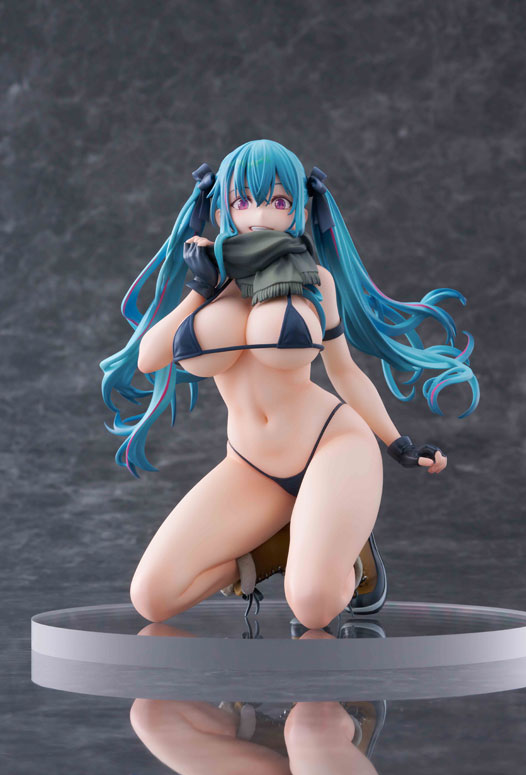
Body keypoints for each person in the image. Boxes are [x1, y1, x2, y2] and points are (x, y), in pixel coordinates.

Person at [100, 139, 479, 630]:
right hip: (251, 465)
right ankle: (275, 550)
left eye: (278, 201)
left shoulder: (316, 281)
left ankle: (352, 555)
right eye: (243, 201)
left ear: (298, 209)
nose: (259, 214)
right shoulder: (211, 280)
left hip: (331, 445)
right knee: (153, 596)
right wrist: (197, 291)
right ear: (223, 209)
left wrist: (397, 443)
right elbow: (150, 359)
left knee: (313, 607)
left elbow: (344, 371)